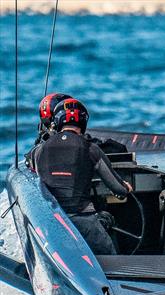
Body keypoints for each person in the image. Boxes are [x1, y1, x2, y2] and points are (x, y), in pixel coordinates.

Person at [33, 98, 132, 254]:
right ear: (83, 123)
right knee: (109, 244)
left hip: (52, 221)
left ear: (58, 121)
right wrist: (126, 187)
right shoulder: (91, 149)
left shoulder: (39, 150)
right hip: (83, 221)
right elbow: (117, 188)